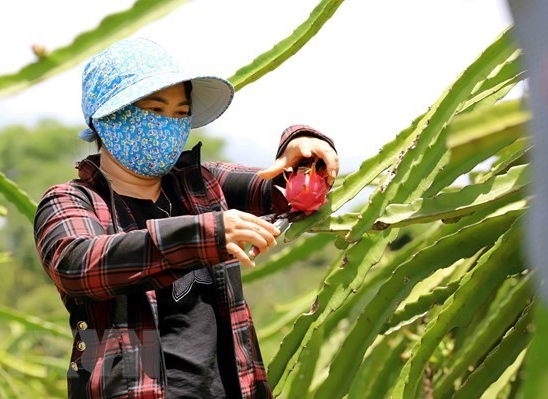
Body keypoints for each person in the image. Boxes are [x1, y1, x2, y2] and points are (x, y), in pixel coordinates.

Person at [34, 37, 338, 399]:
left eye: (181, 113)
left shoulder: (204, 185)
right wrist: (202, 236)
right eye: (155, 110)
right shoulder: (72, 201)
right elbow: (79, 265)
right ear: (108, 118)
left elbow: (290, 193)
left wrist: (304, 150)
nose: (170, 125)